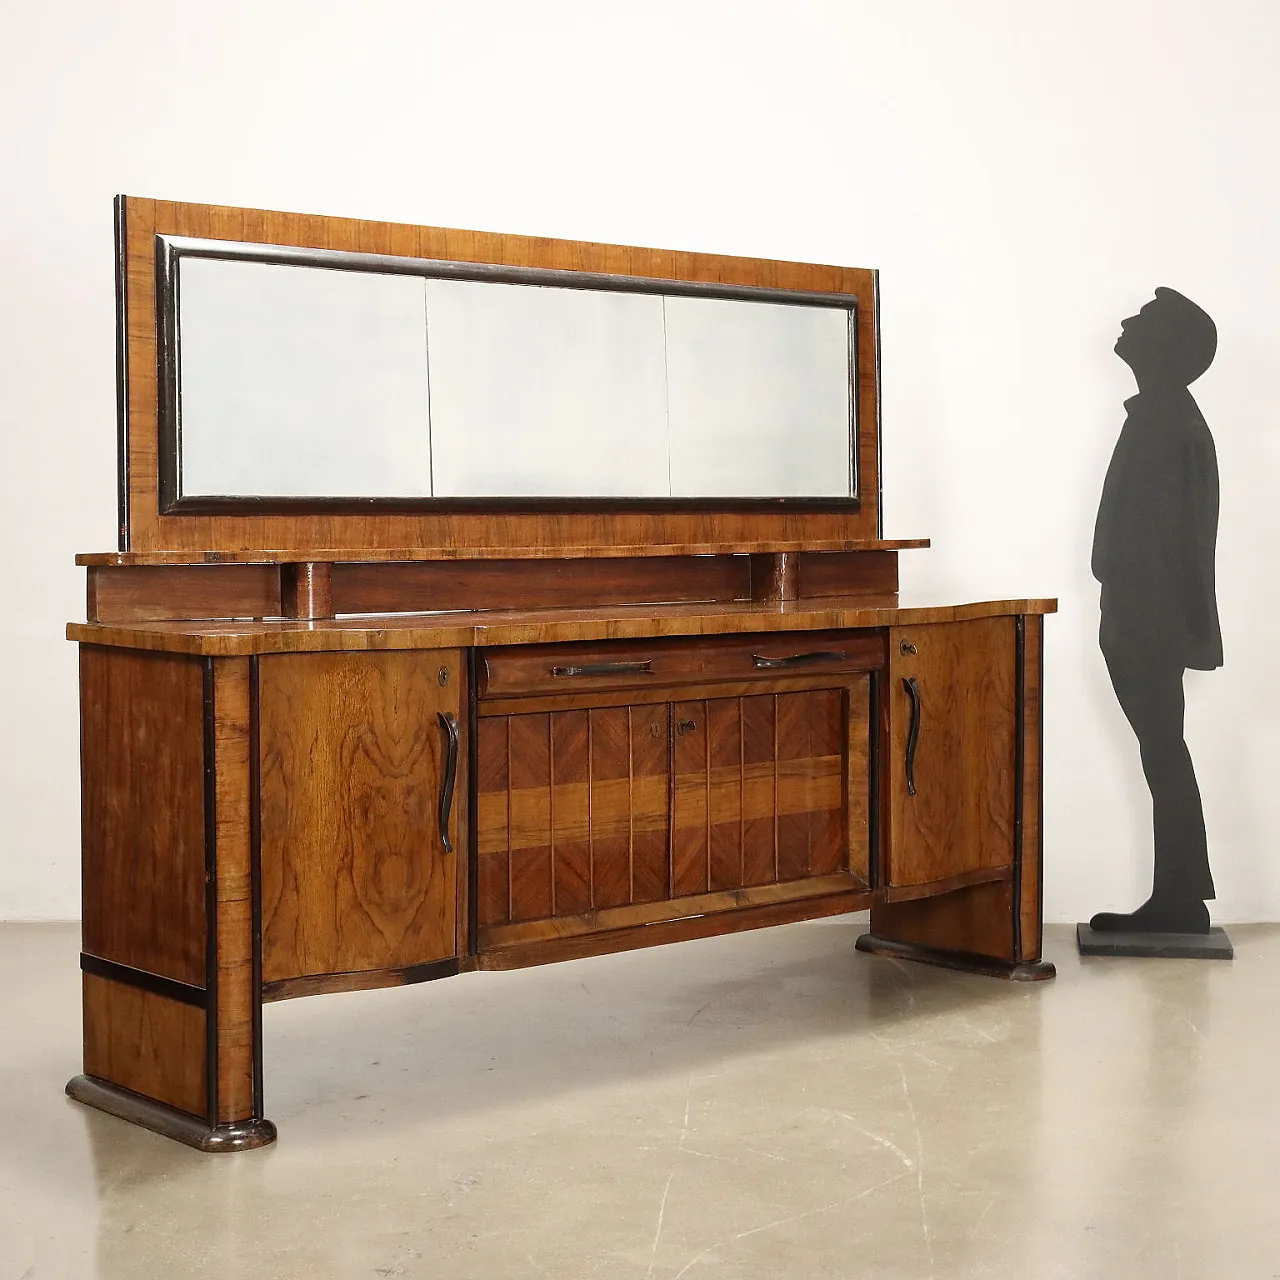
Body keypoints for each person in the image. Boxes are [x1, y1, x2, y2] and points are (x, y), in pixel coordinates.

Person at [1089, 287, 1221, 934]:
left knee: (1163, 750)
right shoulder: (1163, 416)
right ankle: (1181, 895)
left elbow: (1170, 538)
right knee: (1163, 750)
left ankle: (1181, 899)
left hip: (1149, 618)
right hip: (1143, 614)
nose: (1124, 322)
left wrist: (1139, 617)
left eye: (1141, 319)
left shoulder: (1167, 421)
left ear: (1163, 347)